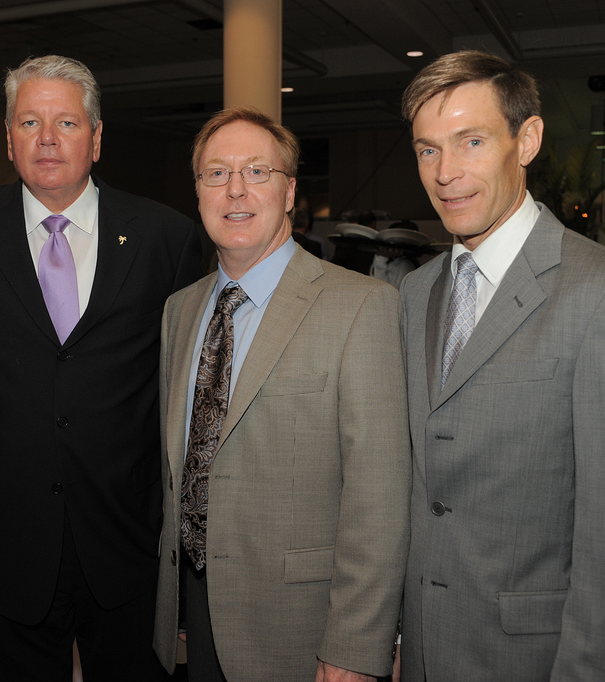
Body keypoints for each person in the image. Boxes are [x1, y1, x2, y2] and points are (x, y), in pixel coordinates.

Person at [0, 54, 202, 680]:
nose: (46, 139)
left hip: (128, 541)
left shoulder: (165, 237)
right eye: (29, 121)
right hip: (5, 540)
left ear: (96, 138)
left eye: (65, 123)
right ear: (7, 138)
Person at [398, 50, 605, 681]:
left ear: (527, 139)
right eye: (427, 150)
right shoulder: (417, 294)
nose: (445, 173)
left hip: (532, 660)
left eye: (471, 141)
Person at [153, 107, 410, 682]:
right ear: (197, 192)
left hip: (304, 627)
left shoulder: (362, 307)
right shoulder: (181, 310)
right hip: (194, 614)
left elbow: (381, 497)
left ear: (290, 191)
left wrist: (354, 646)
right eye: (216, 174)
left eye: (257, 172)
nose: (235, 189)